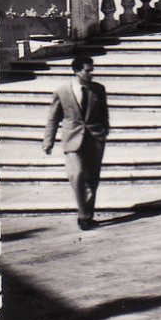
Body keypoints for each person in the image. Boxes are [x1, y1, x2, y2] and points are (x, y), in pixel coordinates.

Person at [42, 54, 111, 230]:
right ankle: (83, 214)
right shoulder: (62, 92)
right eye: (88, 71)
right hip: (72, 138)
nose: (91, 74)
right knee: (77, 174)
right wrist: (48, 141)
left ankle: (87, 215)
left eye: (92, 70)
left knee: (92, 178)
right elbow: (53, 117)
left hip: (94, 138)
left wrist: (105, 130)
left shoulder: (98, 89)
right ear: (77, 71)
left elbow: (104, 112)